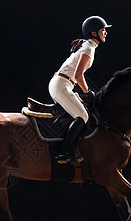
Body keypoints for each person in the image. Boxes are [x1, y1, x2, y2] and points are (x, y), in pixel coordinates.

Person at [48, 15, 112, 164]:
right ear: (94, 33)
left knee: (81, 113)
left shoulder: (88, 46)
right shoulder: (88, 48)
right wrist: (87, 91)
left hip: (63, 84)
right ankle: (64, 152)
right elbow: (78, 75)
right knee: (83, 115)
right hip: (61, 84)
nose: (106, 33)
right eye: (103, 30)